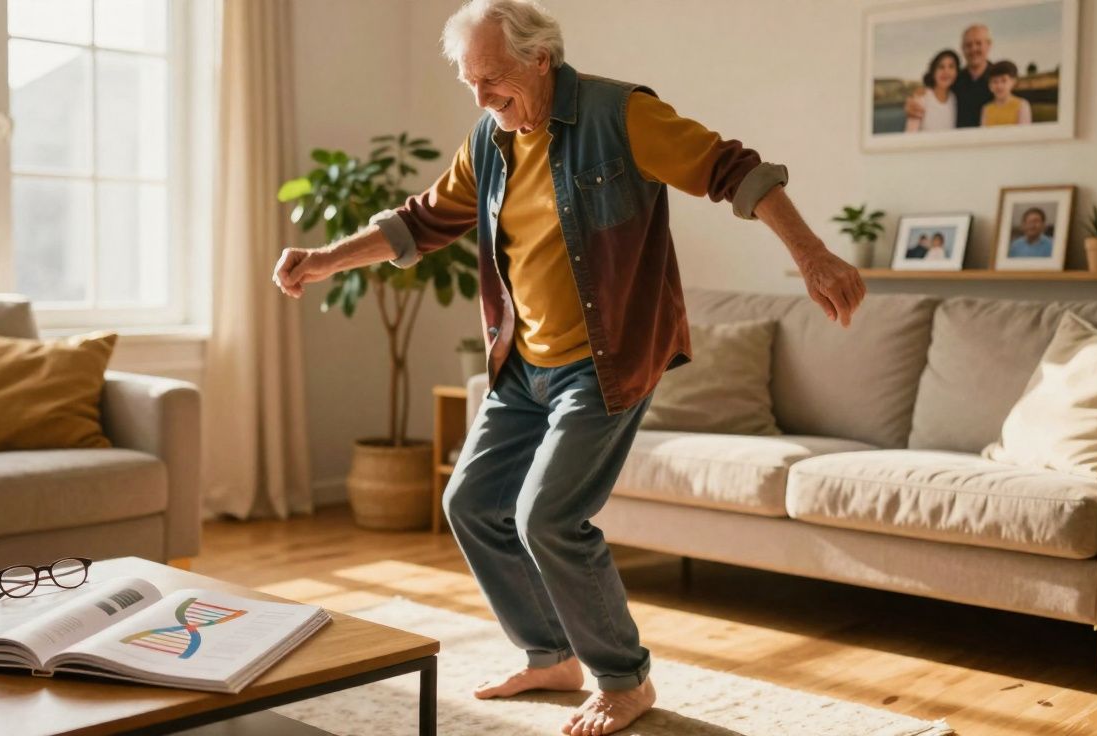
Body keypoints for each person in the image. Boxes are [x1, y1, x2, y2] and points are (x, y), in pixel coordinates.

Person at [273, 2, 866, 733]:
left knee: (548, 516)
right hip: (522, 362)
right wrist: (324, 259)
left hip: (606, 360)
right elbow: (422, 220)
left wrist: (812, 254)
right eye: (469, 83)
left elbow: (733, 170)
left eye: (492, 79)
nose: (481, 98)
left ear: (540, 58)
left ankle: (625, 678)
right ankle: (550, 654)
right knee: (471, 503)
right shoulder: (490, 140)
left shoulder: (623, 116)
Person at [905, 24, 994, 128]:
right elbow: (933, 92)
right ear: (962, 48)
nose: (973, 49)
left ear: (989, 45)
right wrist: (913, 100)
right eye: (968, 45)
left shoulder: (999, 78)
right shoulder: (956, 79)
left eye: (978, 43)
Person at [905, 49, 960, 133]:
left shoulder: (954, 98)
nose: (946, 71)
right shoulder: (921, 97)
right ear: (933, 72)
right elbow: (910, 135)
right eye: (941, 67)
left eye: (951, 67)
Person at [981, 60, 1032, 126]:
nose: (999, 86)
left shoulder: (1022, 105)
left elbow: (1024, 131)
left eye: (1004, 81)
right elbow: (983, 131)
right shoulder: (986, 109)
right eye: (995, 81)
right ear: (989, 85)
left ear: (1013, 82)